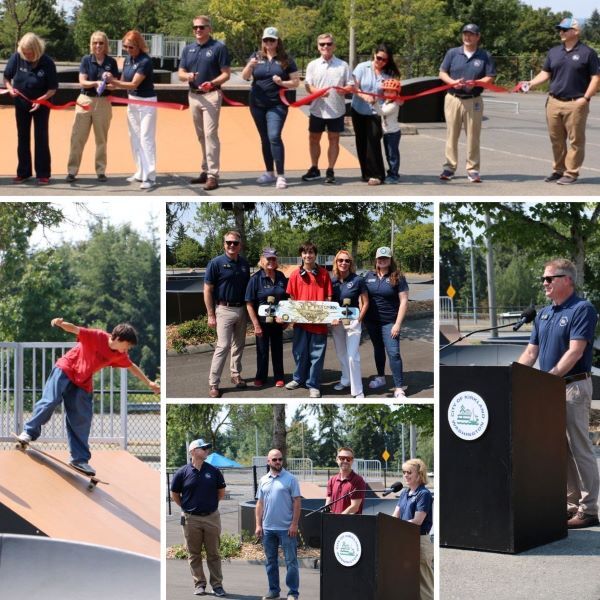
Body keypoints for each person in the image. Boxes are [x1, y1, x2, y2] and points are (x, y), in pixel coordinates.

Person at [17, 319, 160, 475]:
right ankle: (29, 432)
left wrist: (149, 383)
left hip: (83, 381)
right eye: (127, 345)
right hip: (66, 369)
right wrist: (59, 323)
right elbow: (75, 329)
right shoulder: (97, 336)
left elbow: (132, 367)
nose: (128, 349)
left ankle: (79, 460)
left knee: (82, 418)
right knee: (50, 401)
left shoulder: (120, 354)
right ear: (118, 339)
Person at [518, 258, 599, 529]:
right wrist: (511, 374)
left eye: (549, 278)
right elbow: (531, 353)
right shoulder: (543, 314)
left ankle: (589, 509)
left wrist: (548, 379)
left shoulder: (582, 309)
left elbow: (575, 351)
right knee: (559, 450)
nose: (544, 283)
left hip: (573, 386)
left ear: (568, 280)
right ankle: (570, 504)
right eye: (543, 279)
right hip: (549, 389)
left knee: (579, 448)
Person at [523, 18, 600, 185]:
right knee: (556, 139)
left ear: (576, 32)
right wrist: (531, 83)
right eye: (560, 29)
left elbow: (596, 78)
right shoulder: (554, 52)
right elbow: (545, 74)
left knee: (575, 140)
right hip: (553, 102)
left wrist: (585, 99)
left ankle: (571, 173)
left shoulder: (588, 53)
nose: (561, 32)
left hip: (576, 103)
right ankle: (558, 170)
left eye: (565, 29)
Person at [241, 27, 300, 190]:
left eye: (271, 40)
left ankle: (280, 175)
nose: (268, 43)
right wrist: (250, 66)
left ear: (277, 41)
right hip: (257, 103)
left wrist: (282, 82)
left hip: (277, 104)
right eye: (265, 40)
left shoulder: (286, 59)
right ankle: (269, 172)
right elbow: (245, 77)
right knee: (265, 138)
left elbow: (296, 82)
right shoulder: (256, 56)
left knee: (274, 136)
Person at [178, 15, 231, 191]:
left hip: (211, 95)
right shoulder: (188, 49)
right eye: (195, 28)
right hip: (193, 95)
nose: (198, 30)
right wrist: (188, 76)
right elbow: (180, 73)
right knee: (201, 136)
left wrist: (213, 83)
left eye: (201, 27)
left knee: (210, 134)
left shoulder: (218, 48)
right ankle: (205, 169)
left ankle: (212, 175)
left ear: (209, 29)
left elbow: (226, 74)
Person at [438, 24, 496, 183]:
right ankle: (449, 167)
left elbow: (490, 77)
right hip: (453, 98)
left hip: (474, 100)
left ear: (478, 37)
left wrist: (476, 83)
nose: (467, 37)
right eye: (465, 34)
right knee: (451, 135)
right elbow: (442, 72)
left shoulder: (485, 55)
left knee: (473, 136)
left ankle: (473, 169)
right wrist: (452, 82)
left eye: (471, 34)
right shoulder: (452, 53)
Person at [170, 438, 227, 597]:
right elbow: (174, 494)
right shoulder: (182, 472)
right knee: (194, 554)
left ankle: (217, 585)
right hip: (191, 519)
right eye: (203, 448)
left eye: (207, 448)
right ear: (193, 451)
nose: (206, 450)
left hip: (211, 518)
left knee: (213, 553)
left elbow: (221, 493)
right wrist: (186, 507)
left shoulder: (214, 471)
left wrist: (209, 506)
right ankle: (199, 584)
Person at [3, 32, 58, 185]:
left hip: (42, 104)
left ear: (37, 49)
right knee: (23, 137)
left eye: (30, 53)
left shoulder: (47, 62)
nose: (27, 55)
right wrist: (10, 88)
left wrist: (41, 100)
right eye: (24, 53)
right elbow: (6, 77)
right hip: (21, 104)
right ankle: (24, 172)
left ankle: (43, 173)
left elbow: (52, 89)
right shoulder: (17, 57)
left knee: (41, 137)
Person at [66, 31, 119, 183]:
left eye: (101, 43)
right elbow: (82, 81)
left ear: (106, 45)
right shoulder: (86, 60)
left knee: (101, 140)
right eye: (95, 43)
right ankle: (72, 171)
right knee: (77, 138)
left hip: (103, 102)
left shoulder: (111, 62)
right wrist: (96, 83)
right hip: (85, 101)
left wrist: (110, 82)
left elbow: (114, 85)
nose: (98, 46)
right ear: (91, 44)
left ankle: (101, 171)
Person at [302, 33, 353, 185]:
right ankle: (314, 168)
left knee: (334, 139)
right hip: (317, 109)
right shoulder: (312, 65)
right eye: (322, 44)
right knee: (313, 139)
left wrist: (345, 90)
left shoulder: (343, 65)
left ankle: (330, 170)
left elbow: (350, 85)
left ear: (334, 46)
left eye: (328, 44)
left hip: (336, 110)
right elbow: (307, 85)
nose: (325, 47)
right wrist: (316, 92)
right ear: (318, 47)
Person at [204, 231, 250, 398]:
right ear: (224, 244)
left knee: (239, 344)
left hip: (241, 309)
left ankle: (235, 374)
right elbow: (207, 289)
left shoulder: (244, 264)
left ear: (240, 245)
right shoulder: (215, 263)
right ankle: (214, 383)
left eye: (235, 243)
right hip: (223, 310)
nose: (232, 245)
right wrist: (211, 314)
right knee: (223, 346)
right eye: (229, 242)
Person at [109, 30, 157, 190]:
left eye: (131, 47)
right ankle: (140, 171)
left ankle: (150, 177)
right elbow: (122, 80)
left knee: (146, 138)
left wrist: (113, 82)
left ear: (139, 45)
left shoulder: (145, 61)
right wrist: (104, 85)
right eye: (125, 47)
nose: (127, 50)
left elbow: (133, 84)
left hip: (147, 103)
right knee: (134, 137)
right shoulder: (128, 59)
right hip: (132, 102)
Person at [285, 242, 333, 398]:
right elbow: (291, 297)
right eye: (305, 253)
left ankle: (313, 384)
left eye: (311, 252)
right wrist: (291, 316)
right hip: (301, 323)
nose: (308, 255)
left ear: (315, 255)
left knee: (316, 355)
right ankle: (298, 379)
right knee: (299, 353)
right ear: (301, 255)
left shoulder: (324, 274)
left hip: (319, 324)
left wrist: (328, 315)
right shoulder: (294, 275)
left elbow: (329, 297)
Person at [255, 449, 301, 600]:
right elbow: (260, 504)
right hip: (268, 529)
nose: (278, 462)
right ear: (268, 462)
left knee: (291, 562)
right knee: (270, 561)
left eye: (280, 459)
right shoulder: (263, 480)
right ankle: (273, 590)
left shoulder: (290, 479)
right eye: (274, 459)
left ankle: (293, 593)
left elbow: (297, 503)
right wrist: (258, 525)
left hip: (287, 529)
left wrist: (294, 524)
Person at [351, 43, 399, 185]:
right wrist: (364, 96)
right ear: (374, 55)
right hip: (358, 109)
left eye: (385, 60)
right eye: (379, 58)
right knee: (361, 142)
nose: (381, 62)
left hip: (376, 112)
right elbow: (354, 87)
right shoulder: (362, 67)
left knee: (373, 141)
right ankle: (366, 173)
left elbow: (392, 92)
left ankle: (377, 175)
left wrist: (396, 100)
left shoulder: (388, 74)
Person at [364, 247, 409, 398]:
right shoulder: (368, 276)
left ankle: (398, 387)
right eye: (379, 258)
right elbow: (361, 297)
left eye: (385, 258)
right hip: (371, 322)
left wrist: (397, 324)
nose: (382, 260)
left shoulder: (397, 277)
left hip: (390, 322)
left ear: (390, 260)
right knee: (378, 349)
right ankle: (381, 377)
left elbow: (403, 302)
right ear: (376, 260)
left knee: (394, 353)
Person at [245, 248, 289, 388]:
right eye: (268, 259)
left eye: (273, 259)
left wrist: (286, 319)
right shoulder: (255, 279)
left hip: (278, 322)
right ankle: (261, 377)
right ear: (262, 260)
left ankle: (279, 377)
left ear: (276, 261)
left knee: (278, 351)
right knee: (262, 351)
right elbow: (249, 304)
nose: (271, 261)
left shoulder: (282, 277)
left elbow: (287, 300)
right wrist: (256, 325)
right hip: (262, 323)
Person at [393, 458, 434, 600]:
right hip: (404, 541)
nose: (405, 475)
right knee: (406, 581)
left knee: (424, 584)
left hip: (420, 541)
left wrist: (397, 526)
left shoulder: (424, 494)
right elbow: (395, 516)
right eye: (404, 472)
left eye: (409, 472)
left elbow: (417, 521)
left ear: (419, 474)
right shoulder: (405, 493)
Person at [330, 250, 369, 398]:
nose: (343, 263)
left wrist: (358, 321)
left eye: (347, 261)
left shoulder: (358, 280)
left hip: (353, 321)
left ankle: (358, 390)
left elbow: (366, 303)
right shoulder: (332, 281)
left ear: (350, 263)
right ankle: (345, 380)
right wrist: (332, 317)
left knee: (353, 356)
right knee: (341, 354)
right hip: (337, 322)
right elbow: (329, 303)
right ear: (336, 262)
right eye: (340, 260)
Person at [372, 78, 403, 183]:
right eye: (386, 90)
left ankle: (394, 175)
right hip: (387, 133)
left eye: (391, 91)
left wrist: (374, 103)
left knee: (392, 154)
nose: (388, 93)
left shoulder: (393, 105)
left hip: (393, 133)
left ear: (396, 92)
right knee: (388, 154)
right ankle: (391, 173)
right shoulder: (387, 101)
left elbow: (381, 113)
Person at [325, 446, 366, 514]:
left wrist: (339, 518)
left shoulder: (358, 481)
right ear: (337, 459)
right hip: (333, 522)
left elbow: (355, 507)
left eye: (348, 459)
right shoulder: (332, 480)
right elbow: (328, 500)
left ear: (352, 461)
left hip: (350, 523)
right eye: (342, 458)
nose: (345, 461)